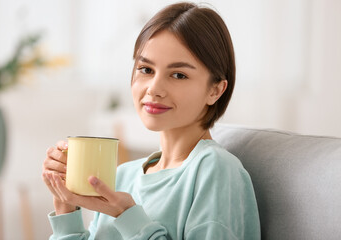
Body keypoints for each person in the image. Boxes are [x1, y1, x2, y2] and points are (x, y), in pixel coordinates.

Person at [42, 2, 261, 239]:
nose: (154, 88)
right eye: (146, 69)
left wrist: (127, 215)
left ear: (215, 90)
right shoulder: (124, 176)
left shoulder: (215, 171)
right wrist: (65, 205)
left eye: (179, 75)